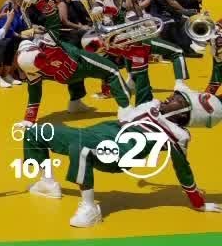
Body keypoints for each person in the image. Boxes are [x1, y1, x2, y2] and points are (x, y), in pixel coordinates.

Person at [24, 87, 222, 227]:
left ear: (185, 114)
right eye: (175, 95)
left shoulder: (177, 135)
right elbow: (139, 82)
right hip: (97, 133)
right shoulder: (152, 105)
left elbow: (182, 169)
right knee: (34, 132)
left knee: (81, 149)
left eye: (178, 100)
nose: (170, 98)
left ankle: (89, 208)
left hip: (118, 152)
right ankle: (48, 183)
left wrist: (198, 202)